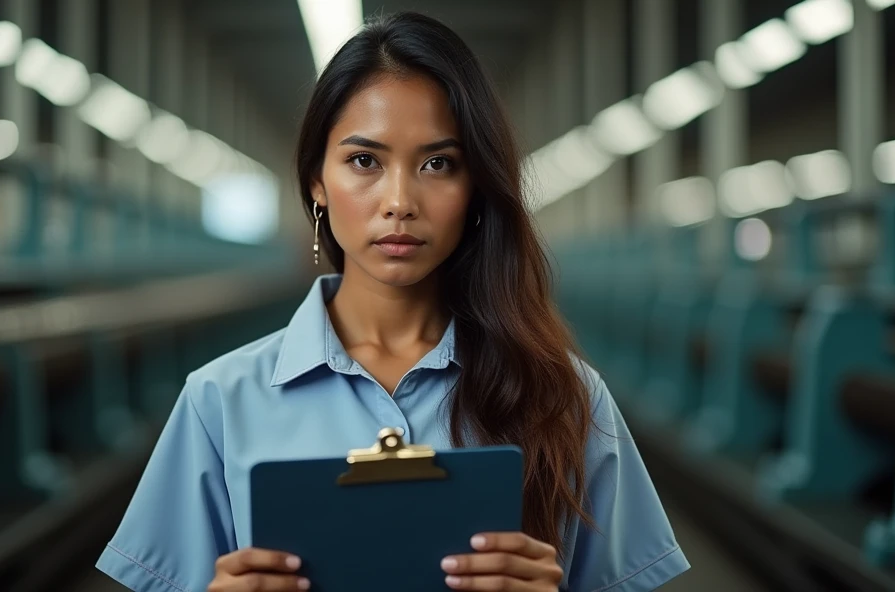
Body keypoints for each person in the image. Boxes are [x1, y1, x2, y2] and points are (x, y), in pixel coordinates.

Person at [96, 11, 689, 592]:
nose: (399, 200)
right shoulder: (219, 403)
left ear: (476, 187)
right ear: (316, 183)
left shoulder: (567, 398)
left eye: (438, 163)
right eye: (364, 161)